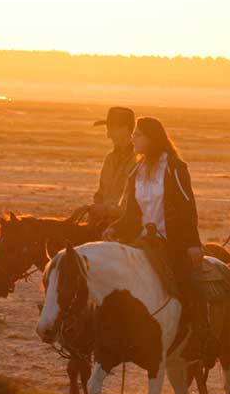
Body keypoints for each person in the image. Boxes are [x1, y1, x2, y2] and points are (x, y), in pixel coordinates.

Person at [104, 117, 209, 355]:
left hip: (171, 242)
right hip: (143, 242)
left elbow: (186, 207)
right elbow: (132, 215)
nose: (133, 138)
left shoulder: (174, 167)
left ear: (152, 139)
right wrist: (115, 228)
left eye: (138, 135)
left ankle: (201, 336)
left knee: (187, 283)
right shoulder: (136, 172)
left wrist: (193, 244)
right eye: (134, 135)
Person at [89, 106, 136, 225]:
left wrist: (106, 210)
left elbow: (134, 204)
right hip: (104, 222)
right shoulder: (109, 159)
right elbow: (100, 193)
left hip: (124, 226)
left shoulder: (139, 160)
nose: (108, 135)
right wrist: (97, 207)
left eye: (111, 129)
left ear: (125, 129)